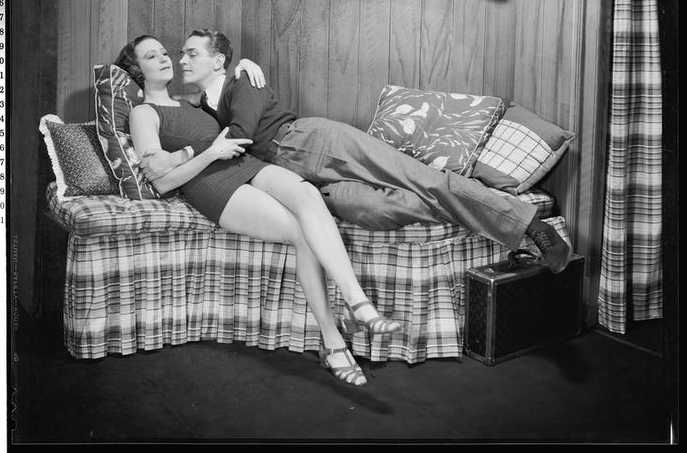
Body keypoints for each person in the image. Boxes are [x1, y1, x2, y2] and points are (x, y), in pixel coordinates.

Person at [115, 34, 404, 387]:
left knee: (309, 197)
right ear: (136, 70)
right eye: (151, 56)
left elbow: (226, 96)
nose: (164, 58)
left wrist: (244, 66)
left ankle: (357, 304)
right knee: (301, 233)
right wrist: (209, 154)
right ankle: (333, 342)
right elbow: (162, 182)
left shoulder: (191, 102)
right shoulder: (143, 113)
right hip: (211, 184)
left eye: (164, 52)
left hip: (245, 164)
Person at [171, 29, 572, 275]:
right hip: (297, 176)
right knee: (370, 209)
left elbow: (239, 137)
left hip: (309, 141)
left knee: (421, 179)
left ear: (218, 61)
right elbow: (211, 131)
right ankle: (476, 205)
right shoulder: (204, 104)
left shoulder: (244, 80)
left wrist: (196, 152)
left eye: (192, 53)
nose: (182, 60)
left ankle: (533, 225)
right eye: (181, 54)